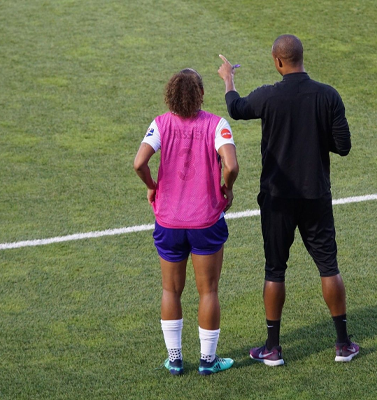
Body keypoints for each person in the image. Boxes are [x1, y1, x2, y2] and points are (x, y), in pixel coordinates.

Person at [217, 34, 359, 366]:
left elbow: (236, 109)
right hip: (315, 196)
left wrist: (228, 79)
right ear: (301, 58)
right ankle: (342, 344)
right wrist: (314, 136)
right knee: (328, 267)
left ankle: (273, 348)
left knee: (275, 269)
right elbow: (343, 146)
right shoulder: (328, 95)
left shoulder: (268, 95)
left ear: (278, 61)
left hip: (277, 198)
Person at [134, 68, 239, 376]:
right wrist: (227, 187)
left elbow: (139, 163)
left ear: (170, 95)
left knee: (171, 290)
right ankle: (208, 361)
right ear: (201, 94)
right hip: (206, 221)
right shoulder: (217, 124)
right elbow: (231, 165)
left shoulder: (160, 124)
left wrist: (151, 185)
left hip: (168, 222)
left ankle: (175, 360)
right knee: (208, 291)